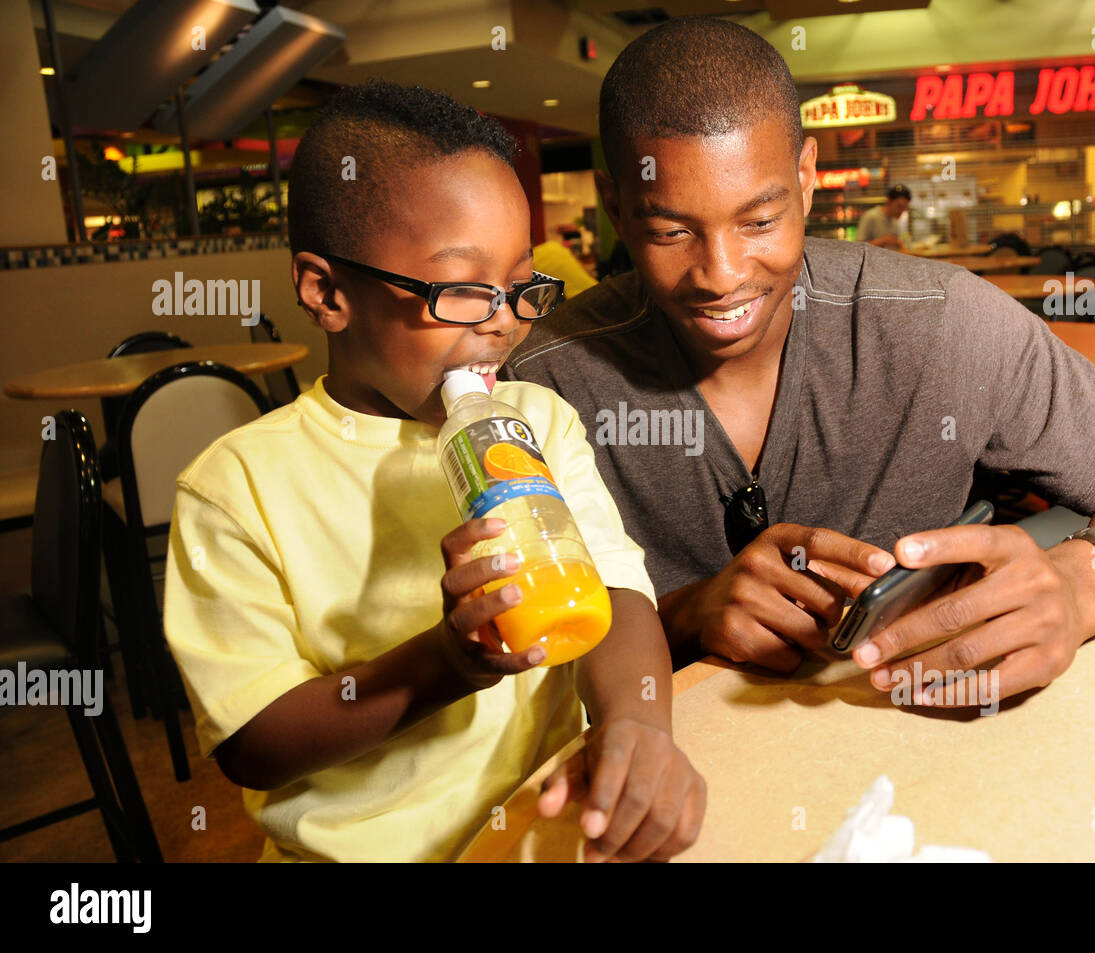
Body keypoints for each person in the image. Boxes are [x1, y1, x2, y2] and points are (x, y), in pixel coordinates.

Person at [503, 19, 1095, 706]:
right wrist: (686, 616)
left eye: (760, 220)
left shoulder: (942, 323)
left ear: (805, 179)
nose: (723, 273)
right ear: (613, 205)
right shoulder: (543, 380)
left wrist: (1082, 583)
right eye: (671, 231)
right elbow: (506, 665)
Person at [162, 81, 704, 863]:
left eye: (520, 288)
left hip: (542, 833)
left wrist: (639, 728)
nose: (502, 321)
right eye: (461, 290)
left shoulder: (538, 422)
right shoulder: (237, 488)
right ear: (328, 292)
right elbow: (254, 742)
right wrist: (445, 663)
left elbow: (616, 593)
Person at [857, 184, 910, 248]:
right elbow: (859, 247)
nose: (901, 211)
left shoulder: (894, 221)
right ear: (889, 201)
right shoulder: (870, 216)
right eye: (899, 206)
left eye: (905, 208)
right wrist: (883, 241)